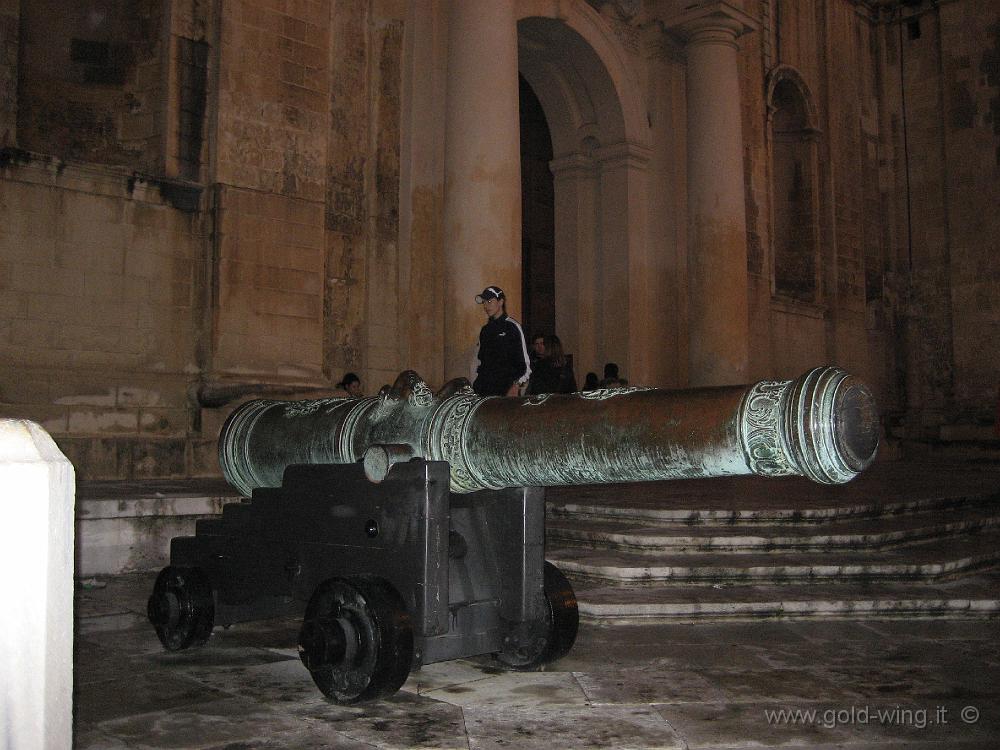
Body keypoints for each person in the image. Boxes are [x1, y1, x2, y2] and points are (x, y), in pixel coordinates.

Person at [472, 285, 531, 397]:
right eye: (484, 302)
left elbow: (524, 364)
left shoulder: (512, 326)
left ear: (501, 302)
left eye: (489, 301)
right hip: (485, 391)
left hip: (506, 391)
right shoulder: (485, 330)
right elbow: (481, 361)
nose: (486, 306)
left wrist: (516, 385)